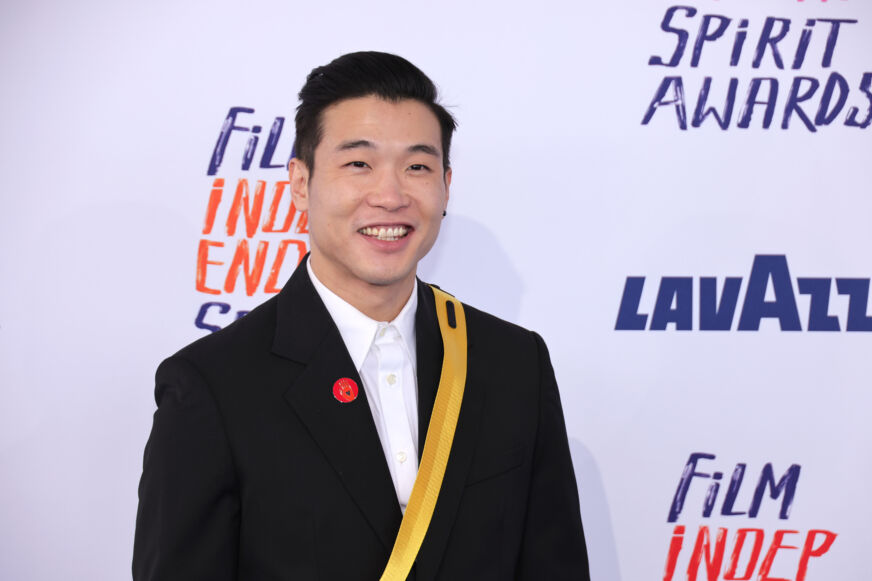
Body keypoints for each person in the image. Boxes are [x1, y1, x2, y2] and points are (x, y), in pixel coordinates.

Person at [133, 51, 589, 580]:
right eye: (359, 164)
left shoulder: (512, 363)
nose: (390, 196)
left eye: (417, 167)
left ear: (446, 185)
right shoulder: (213, 386)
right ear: (300, 184)